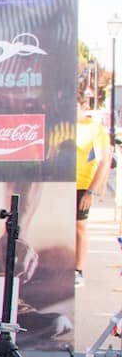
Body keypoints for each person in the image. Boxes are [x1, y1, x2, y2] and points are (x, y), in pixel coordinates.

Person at [75, 93, 112, 287]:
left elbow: (104, 161)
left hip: (82, 185)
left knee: (79, 226)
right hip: (59, 182)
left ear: (83, 106)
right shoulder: (59, 125)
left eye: (74, 106)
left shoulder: (95, 129)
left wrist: (91, 191)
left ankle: (78, 270)